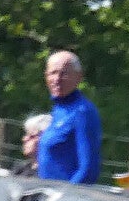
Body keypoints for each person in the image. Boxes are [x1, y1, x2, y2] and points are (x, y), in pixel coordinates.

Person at [36, 51, 100, 185]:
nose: (57, 79)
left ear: (78, 77)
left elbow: (88, 170)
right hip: (46, 191)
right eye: (53, 73)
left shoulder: (82, 112)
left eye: (64, 74)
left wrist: (65, 194)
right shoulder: (59, 109)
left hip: (67, 194)